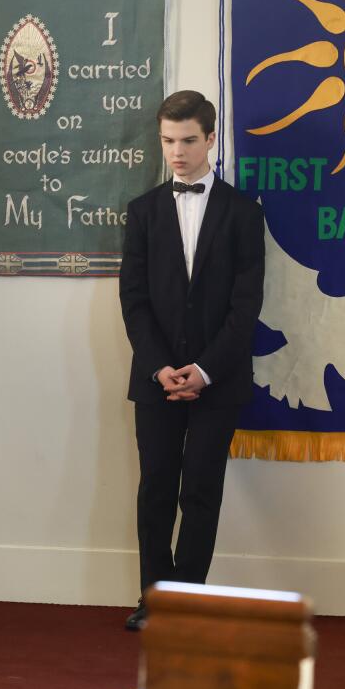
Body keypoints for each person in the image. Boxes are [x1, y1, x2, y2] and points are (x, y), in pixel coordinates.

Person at [118, 91, 265, 631]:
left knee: (201, 490)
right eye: (167, 141)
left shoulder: (243, 213)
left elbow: (246, 306)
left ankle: (187, 602)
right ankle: (152, 598)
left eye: (186, 141)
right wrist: (161, 368)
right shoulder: (143, 212)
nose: (176, 152)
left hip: (218, 382)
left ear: (209, 138)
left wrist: (203, 371)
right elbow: (133, 300)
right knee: (156, 487)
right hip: (154, 380)